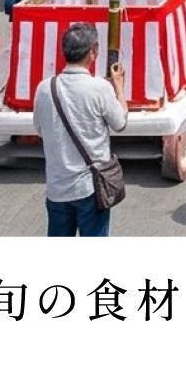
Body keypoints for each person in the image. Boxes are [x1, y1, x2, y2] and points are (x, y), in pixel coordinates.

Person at [32, 24, 127, 236]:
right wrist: (119, 87)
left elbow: (39, 129)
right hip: (90, 189)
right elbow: (120, 123)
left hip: (57, 188)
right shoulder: (99, 88)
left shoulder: (45, 88)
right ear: (93, 51)